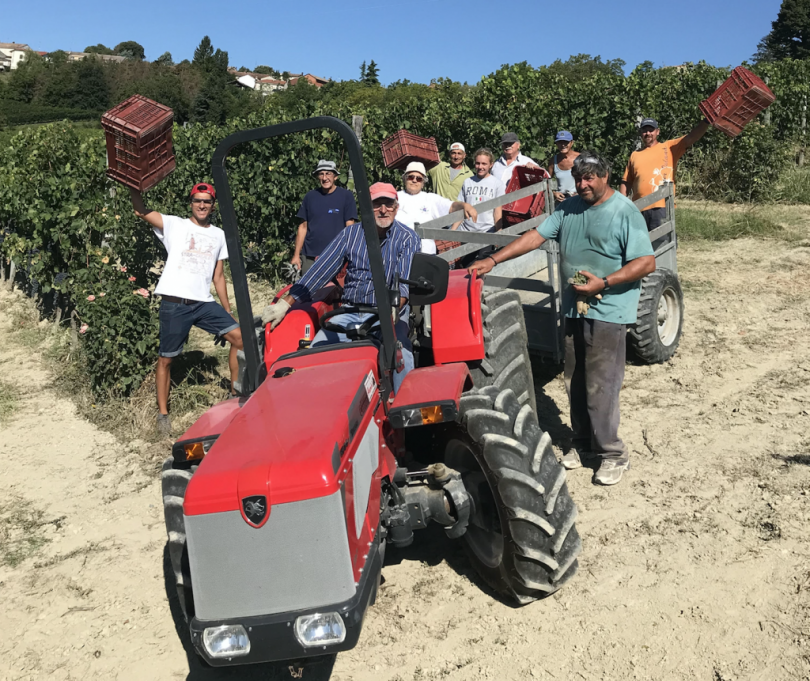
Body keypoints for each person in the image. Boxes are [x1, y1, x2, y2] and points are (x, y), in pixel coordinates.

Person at [468, 152, 655, 486]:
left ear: (606, 176)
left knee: (601, 384)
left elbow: (646, 262)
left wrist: (604, 282)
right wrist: (493, 260)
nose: (582, 184)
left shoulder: (624, 211)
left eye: (589, 178)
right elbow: (535, 236)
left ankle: (612, 453)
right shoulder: (568, 208)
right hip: (573, 307)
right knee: (575, 380)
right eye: (578, 178)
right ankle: (582, 444)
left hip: (608, 309)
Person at [261, 182, 420, 393]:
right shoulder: (350, 235)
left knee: (401, 355)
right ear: (366, 208)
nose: (383, 210)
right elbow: (320, 271)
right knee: (315, 353)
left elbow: (403, 282)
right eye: (376, 204)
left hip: (389, 312)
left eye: (388, 204)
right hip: (350, 311)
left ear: (396, 208)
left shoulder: (407, 238)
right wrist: (285, 303)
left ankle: (404, 407)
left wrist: (393, 307)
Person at [130, 183, 244, 436]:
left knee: (241, 339)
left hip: (203, 303)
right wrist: (133, 186)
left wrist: (227, 309)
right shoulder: (175, 225)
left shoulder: (218, 235)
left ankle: (236, 394)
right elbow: (141, 211)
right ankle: (163, 415)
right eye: (197, 200)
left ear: (213, 206)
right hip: (175, 304)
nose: (202, 205)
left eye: (207, 201)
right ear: (191, 203)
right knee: (166, 358)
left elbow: (218, 276)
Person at [620, 117, 710, 232]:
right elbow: (626, 182)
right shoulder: (635, 155)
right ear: (640, 133)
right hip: (639, 208)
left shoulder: (669, 148)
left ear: (658, 132)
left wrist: (706, 121)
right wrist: (621, 205)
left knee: (662, 241)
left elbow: (692, 137)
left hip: (661, 206)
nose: (648, 133)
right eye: (644, 130)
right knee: (640, 242)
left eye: (651, 130)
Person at [394, 161, 478, 255]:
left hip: (425, 253)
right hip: (398, 252)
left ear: (423, 183)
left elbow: (451, 206)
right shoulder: (395, 197)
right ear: (404, 178)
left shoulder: (430, 198)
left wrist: (465, 205)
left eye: (419, 178)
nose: (414, 180)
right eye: (410, 177)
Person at [291, 160, 357, 274]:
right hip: (310, 256)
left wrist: (351, 253)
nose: (325, 178)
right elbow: (303, 227)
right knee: (308, 285)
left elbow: (350, 227)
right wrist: (296, 255)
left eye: (328, 173)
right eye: (321, 174)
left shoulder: (346, 196)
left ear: (335, 177)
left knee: (336, 285)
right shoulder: (310, 197)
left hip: (336, 256)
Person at [452, 148, 505, 233]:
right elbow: (461, 209)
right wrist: (452, 230)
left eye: (484, 164)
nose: (480, 167)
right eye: (477, 163)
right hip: (466, 231)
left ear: (491, 164)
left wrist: (499, 232)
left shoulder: (497, 184)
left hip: (487, 231)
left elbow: (497, 212)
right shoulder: (467, 182)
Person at [547, 131, 580, 205]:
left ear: (571, 143)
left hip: (579, 200)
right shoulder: (553, 161)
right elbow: (546, 181)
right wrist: (554, 193)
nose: (563, 145)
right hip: (562, 201)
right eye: (560, 142)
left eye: (566, 142)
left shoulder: (580, 158)